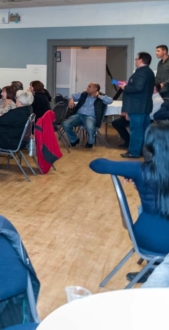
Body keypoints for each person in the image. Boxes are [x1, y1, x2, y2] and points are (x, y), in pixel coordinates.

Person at [90, 121, 169, 264]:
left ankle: (151, 269)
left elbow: (96, 164)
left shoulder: (139, 169)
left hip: (146, 237)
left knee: (143, 210)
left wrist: (133, 174)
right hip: (162, 240)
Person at [118, 52, 155, 158]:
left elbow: (137, 88)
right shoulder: (149, 72)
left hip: (137, 106)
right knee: (144, 130)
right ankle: (143, 151)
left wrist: (124, 87)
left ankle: (134, 152)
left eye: (136, 59)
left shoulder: (141, 73)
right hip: (144, 106)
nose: (135, 61)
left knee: (136, 130)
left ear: (141, 60)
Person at [0, 90, 33, 157]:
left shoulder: (16, 113)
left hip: (9, 141)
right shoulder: (29, 110)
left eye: (17, 98)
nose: (16, 99)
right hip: (19, 139)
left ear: (20, 101)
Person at [63, 83, 113, 148]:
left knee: (90, 127)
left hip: (90, 117)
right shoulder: (84, 94)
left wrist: (100, 96)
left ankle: (90, 141)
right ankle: (74, 139)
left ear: (95, 89)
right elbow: (69, 95)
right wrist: (71, 99)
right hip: (78, 115)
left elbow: (110, 101)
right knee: (65, 124)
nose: (87, 88)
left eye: (89, 87)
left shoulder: (101, 96)